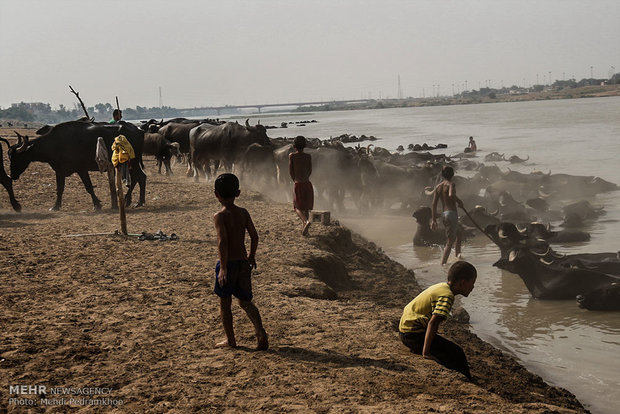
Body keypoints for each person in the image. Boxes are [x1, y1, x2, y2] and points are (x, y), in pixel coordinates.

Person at [213, 173, 268, 350]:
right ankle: (260, 331)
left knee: (225, 303)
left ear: (216, 194)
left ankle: (231, 340)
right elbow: (254, 236)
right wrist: (251, 256)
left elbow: (223, 242)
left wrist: (222, 268)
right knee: (245, 301)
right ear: (238, 193)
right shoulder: (243, 213)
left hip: (228, 263)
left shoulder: (220, 216)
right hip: (243, 262)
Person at [399, 261, 477, 380]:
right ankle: (468, 380)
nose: (473, 287)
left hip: (405, 331)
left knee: (446, 348)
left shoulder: (442, 287)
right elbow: (433, 323)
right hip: (412, 335)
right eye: (472, 283)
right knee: (457, 353)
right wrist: (426, 352)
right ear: (462, 283)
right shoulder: (448, 296)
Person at [431, 166, 464, 265]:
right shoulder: (451, 184)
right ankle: (443, 264)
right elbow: (451, 195)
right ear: (453, 174)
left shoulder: (438, 186)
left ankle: (458, 257)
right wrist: (459, 201)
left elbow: (434, 204)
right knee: (450, 241)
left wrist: (433, 220)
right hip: (451, 214)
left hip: (444, 214)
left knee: (459, 234)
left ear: (442, 175)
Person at [289, 136, 314, 235]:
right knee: (306, 208)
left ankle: (305, 222)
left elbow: (291, 171)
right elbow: (310, 170)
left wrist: (295, 180)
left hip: (298, 183)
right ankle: (305, 230)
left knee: (297, 207)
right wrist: (305, 178)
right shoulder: (308, 156)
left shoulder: (292, 156)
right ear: (304, 145)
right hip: (307, 183)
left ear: (294, 146)